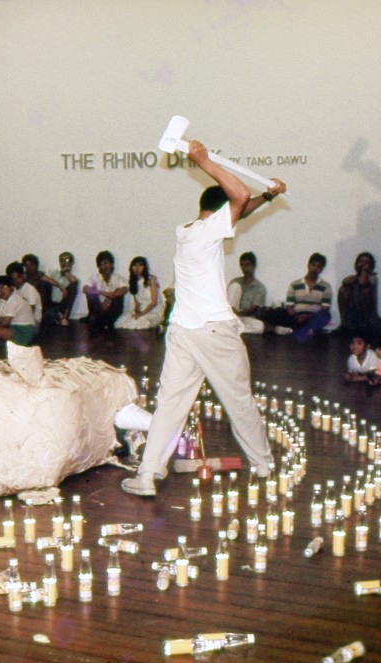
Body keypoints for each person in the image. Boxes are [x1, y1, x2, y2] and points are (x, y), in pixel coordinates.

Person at [120, 139, 286, 497]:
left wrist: (268, 197)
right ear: (222, 210)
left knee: (170, 404)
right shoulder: (206, 233)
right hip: (213, 332)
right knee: (238, 400)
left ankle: (148, 475)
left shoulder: (190, 231)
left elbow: (241, 205)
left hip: (182, 332)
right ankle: (263, 464)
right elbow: (239, 196)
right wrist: (201, 161)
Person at [259, 253, 332, 339]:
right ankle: (307, 330)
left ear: (321, 269)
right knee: (271, 313)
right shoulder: (295, 284)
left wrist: (307, 316)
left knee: (326, 316)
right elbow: (289, 306)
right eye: (313, 265)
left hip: (313, 317)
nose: (315, 269)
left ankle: (299, 331)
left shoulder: (325, 286)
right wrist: (296, 316)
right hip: (296, 316)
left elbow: (325, 308)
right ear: (308, 265)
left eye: (319, 267)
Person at [337, 251, 381, 336]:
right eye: (361, 261)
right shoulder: (352, 278)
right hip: (353, 316)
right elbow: (345, 281)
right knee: (343, 290)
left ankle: (365, 326)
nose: (363, 264)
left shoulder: (373, 278)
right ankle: (343, 324)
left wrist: (364, 271)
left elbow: (363, 282)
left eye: (367, 262)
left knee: (365, 290)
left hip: (368, 318)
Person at [83, 251, 128, 333]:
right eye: (102, 264)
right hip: (98, 309)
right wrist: (103, 293)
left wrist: (108, 299)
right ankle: (100, 321)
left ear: (112, 264)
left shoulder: (117, 278)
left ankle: (101, 321)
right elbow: (85, 289)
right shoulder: (95, 278)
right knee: (91, 295)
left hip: (112, 310)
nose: (105, 266)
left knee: (119, 294)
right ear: (99, 266)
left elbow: (124, 289)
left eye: (107, 263)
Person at [115, 256, 163, 330]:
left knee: (139, 323)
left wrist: (142, 313)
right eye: (134, 265)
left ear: (144, 267)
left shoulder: (151, 279)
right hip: (141, 309)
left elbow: (154, 302)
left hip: (153, 310)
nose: (137, 268)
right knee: (121, 322)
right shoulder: (133, 282)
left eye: (140, 265)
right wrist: (137, 313)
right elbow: (137, 303)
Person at [226, 251, 267, 334]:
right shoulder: (235, 282)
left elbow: (253, 309)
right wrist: (232, 313)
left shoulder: (259, 288)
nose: (245, 268)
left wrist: (237, 314)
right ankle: (230, 324)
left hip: (243, 318)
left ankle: (232, 328)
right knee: (235, 286)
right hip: (230, 315)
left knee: (260, 326)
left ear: (254, 266)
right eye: (242, 265)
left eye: (247, 265)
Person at [22, 254, 69, 325]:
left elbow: (49, 280)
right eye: (26, 265)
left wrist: (61, 287)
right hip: (26, 304)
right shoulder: (23, 276)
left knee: (44, 283)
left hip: (41, 304)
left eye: (31, 265)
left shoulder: (39, 275)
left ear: (36, 266)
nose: (29, 267)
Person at [46, 251, 79, 326]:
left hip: (63, 307)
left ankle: (63, 317)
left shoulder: (73, 278)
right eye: (61, 260)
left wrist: (66, 272)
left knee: (73, 286)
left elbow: (74, 283)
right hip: (51, 304)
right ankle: (58, 318)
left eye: (66, 260)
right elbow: (43, 278)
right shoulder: (53, 273)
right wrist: (60, 286)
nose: (63, 263)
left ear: (71, 263)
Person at [6, 261, 42, 326]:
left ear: (24, 275)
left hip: (31, 323)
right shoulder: (12, 290)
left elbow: (30, 312)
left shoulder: (30, 290)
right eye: (12, 278)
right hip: (18, 320)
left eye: (18, 277)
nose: (15, 280)